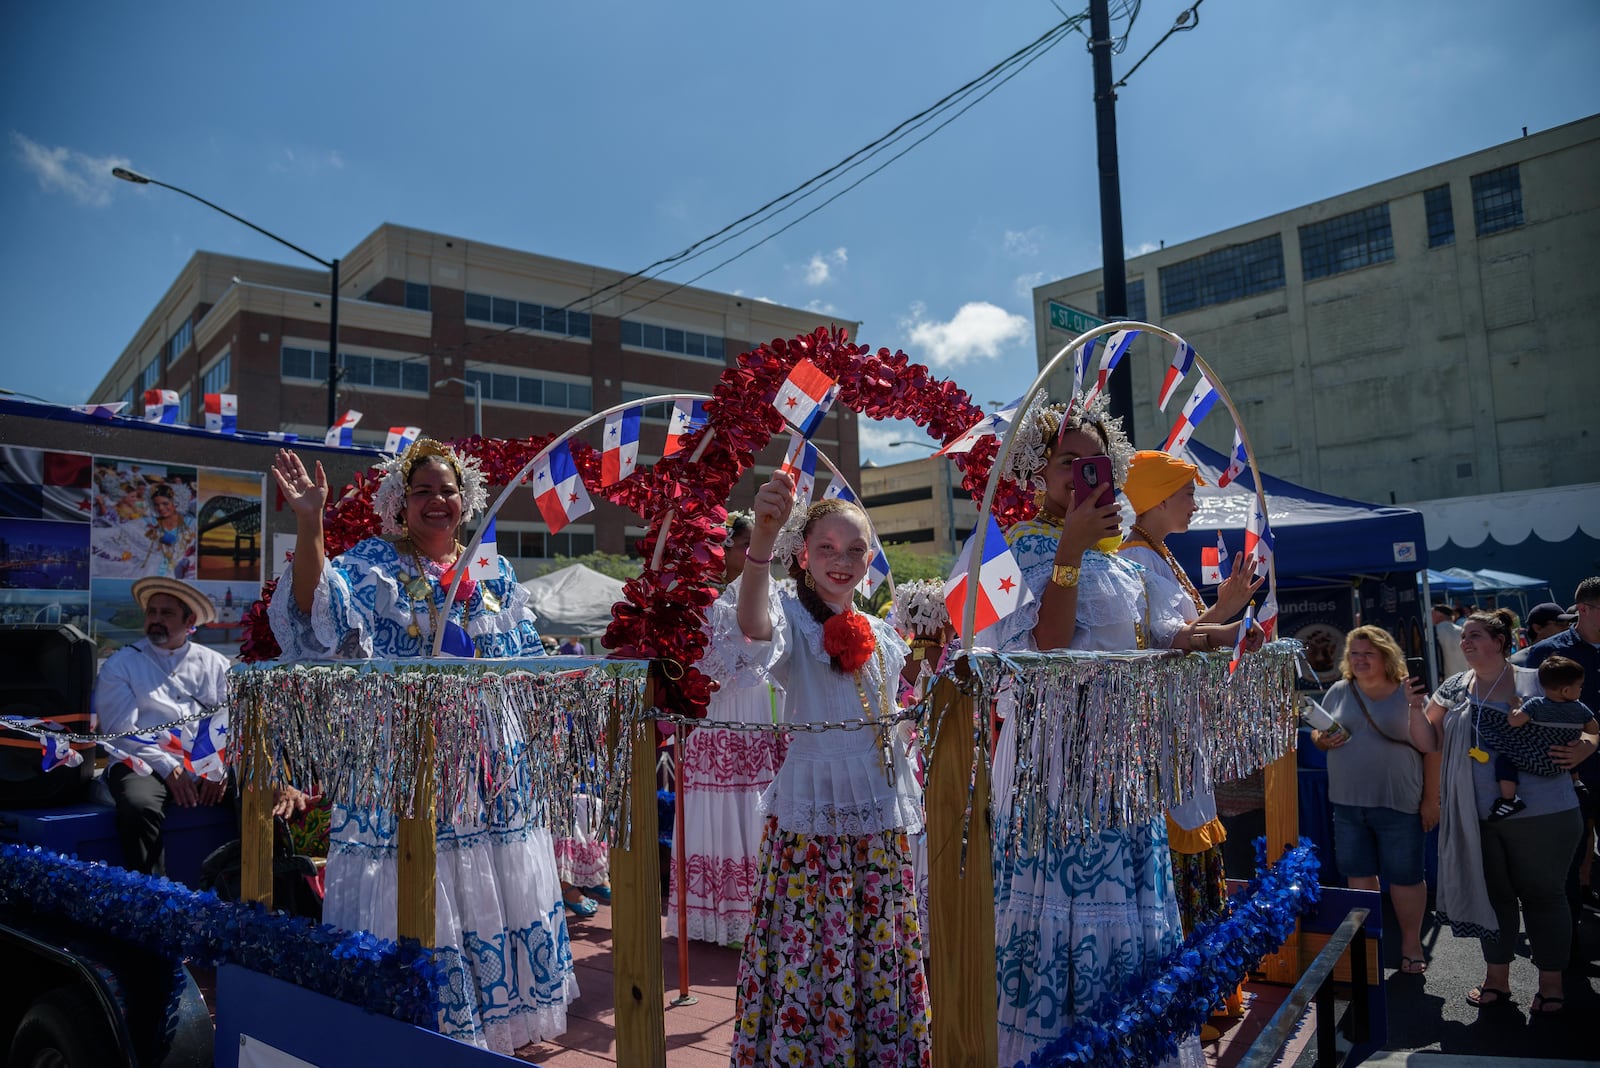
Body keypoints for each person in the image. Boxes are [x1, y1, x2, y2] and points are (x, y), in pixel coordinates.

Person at [268, 441, 574, 1053]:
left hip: (489, 748)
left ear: (467, 500)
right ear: (400, 505)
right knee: (411, 868)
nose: (438, 501)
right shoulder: (373, 564)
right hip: (401, 746)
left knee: (488, 868)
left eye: (448, 490)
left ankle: (491, 1018)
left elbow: (522, 650)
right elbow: (315, 614)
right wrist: (309, 523)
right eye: (423, 491)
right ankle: (417, 1017)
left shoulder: (491, 567)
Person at [989, 398, 1260, 1067]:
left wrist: (1232, 626)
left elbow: (1159, 640)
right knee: (1065, 915)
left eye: (1097, 462)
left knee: (1134, 914)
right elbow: (1045, 647)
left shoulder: (1119, 557)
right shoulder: (1010, 549)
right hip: (1058, 767)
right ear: (1038, 473)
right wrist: (1072, 545)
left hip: (1125, 764)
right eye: (1068, 462)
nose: (1086, 472)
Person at [726, 475, 929, 1066]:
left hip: (878, 818)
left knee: (876, 948)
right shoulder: (792, 617)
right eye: (826, 549)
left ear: (871, 558)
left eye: (855, 549)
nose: (842, 561)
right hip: (815, 832)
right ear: (803, 557)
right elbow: (754, 627)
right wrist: (761, 540)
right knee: (812, 952)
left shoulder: (884, 632)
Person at [1118, 449, 1263, 1033]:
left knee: (1193, 835)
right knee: (1179, 837)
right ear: (1154, 499)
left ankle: (1202, 994)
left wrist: (1226, 608)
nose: (1194, 503)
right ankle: (1187, 1003)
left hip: (1178, 725)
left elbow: (1182, 632)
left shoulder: (1155, 556)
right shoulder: (1135, 557)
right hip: (1159, 731)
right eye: (1184, 494)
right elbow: (1160, 641)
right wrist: (1229, 628)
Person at [1419, 608, 1596, 1014]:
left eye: (1475, 635)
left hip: (1546, 813)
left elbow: (1586, 724)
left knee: (1545, 897)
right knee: (1495, 897)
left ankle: (1551, 984)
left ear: (1499, 642)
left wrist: (1587, 746)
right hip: (1477, 815)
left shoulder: (1536, 679)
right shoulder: (1453, 687)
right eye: (1464, 636)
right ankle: (1496, 980)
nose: (1466, 642)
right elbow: (1429, 739)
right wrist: (1413, 708)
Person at [668, 511, 787, 947]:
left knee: (756, 806)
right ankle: (717, 915)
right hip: (717, 717)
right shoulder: (700, 603)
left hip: (758, 718)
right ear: (723, 550)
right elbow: (710, 666)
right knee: (720, 807)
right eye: (745, 544)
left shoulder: (773, 594)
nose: (757, 552)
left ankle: (756, 909)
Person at [1310, 626, 1437, 976]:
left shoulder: (1408, 691)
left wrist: (1431, 800)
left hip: (1400, 801)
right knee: (1359, 875)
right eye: (1354, 654)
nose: (1360, 659)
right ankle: (1370, 944)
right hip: (1348, 802)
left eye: (1368, 653)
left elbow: (1429, 747)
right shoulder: (1339, 690)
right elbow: (1321, 732)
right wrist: (1323, 739)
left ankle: (1411, 943)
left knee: (1406, 877)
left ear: (1386, 656)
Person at [94, 576, 230, 875]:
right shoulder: (122, 664)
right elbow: (121, 731)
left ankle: (258, 890)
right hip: (141, 760)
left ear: (190, 620)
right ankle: (154, 898)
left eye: (166, 613)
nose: (155, 620)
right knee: (139, 806)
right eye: (151, 612)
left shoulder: (216, 664)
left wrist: (217, 768)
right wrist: (169, 768)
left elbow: (228, 721)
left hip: (204, 760)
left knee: (259, 793)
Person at [1515, 578, 1600, 919]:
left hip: (1584, 762)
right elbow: (1526, 719)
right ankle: (1566, 949)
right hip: (1564, 775)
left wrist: (1592, 741)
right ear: (1583, 610)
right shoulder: (1545, 654)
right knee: (1565, 864)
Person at [1491, 656, 1598, 820]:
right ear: (1566, 691)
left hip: (1536, 759)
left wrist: (1515, 706)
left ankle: (1509, 799)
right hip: (1563, 764)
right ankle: (1577, 783)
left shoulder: (1535, 704)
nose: (1581, 690)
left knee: (1504, 760)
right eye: (1580, 686)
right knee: (1568, 743)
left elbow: (1515, 721)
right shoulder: (1580, 709)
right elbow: (1594, 729)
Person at [91, 482, 198, 579]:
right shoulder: (145, 522)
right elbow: (121, 530)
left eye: (165, 503)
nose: (160, 508)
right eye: (156, 504)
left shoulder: (192, 524)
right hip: (145, 574)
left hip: (173, 575)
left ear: (176, 503)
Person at [1433, 603, 1468, 678]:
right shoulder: (1461, 631)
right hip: (1464, 676)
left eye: (1432, 614)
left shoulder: (1434, 631)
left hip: (1445, 679)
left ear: (1438, 614)